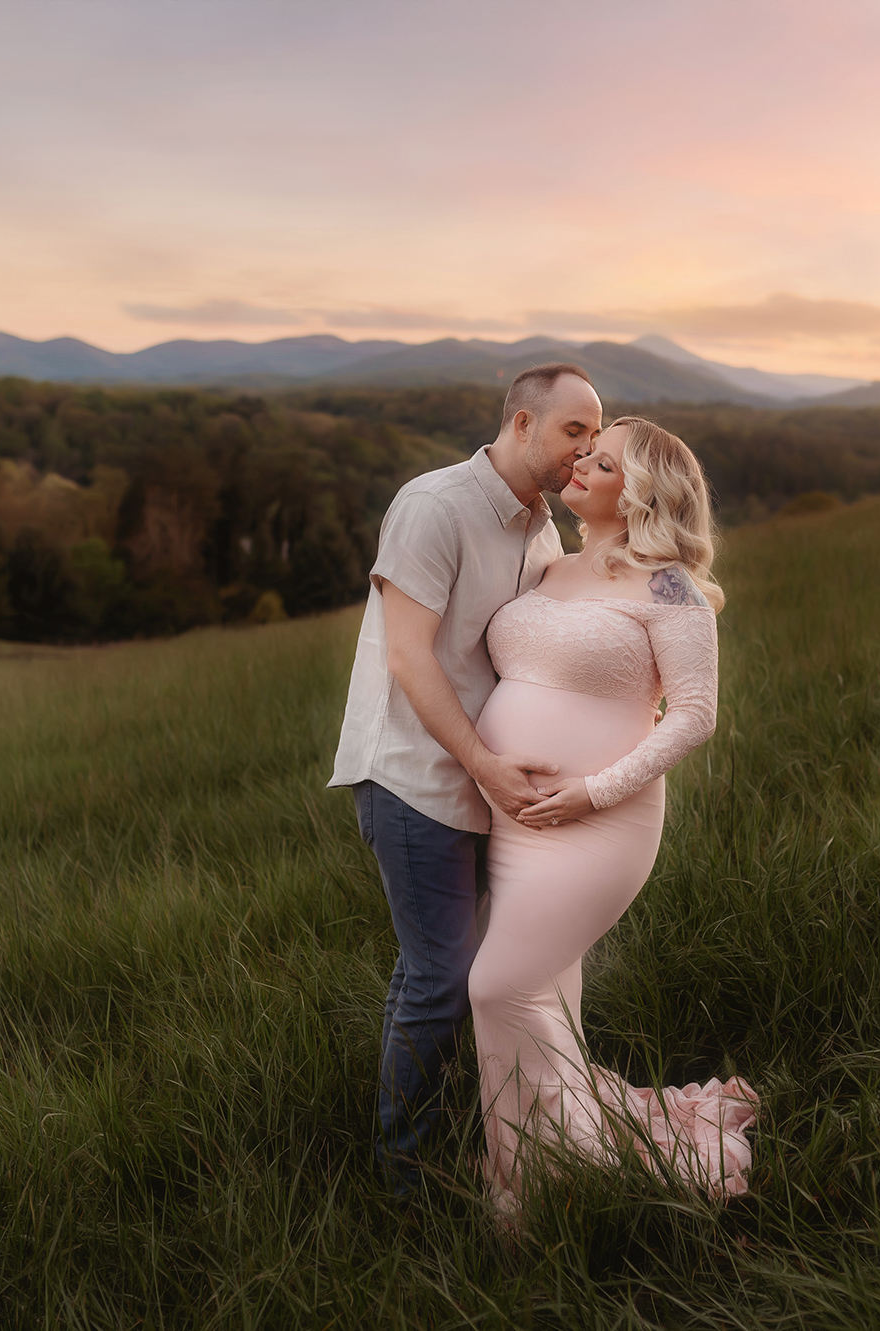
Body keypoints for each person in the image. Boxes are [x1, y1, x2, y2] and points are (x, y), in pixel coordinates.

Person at [468, 416, 757, 1218]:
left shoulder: (668, 584)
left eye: (601, 461)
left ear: (639, 493)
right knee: (543, 997)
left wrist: (594, 790)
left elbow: (695, 715)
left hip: (599, 826)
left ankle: (564, 1187)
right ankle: (541, 1169)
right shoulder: (550, 565)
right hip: (515, 822)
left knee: (498, 986)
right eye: (585, 454)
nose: (580, 467)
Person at [330, 362, 603, 1190]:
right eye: (573, 431)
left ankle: (480, 1130)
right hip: (419, 778)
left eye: (596, 436)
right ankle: (403, 1176)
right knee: (443, 973)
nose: (586, 451)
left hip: (494, 793)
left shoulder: (544, 530)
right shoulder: (433, 506)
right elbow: (411, 659)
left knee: (469, 971)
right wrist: (484, 761)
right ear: (521, 425)